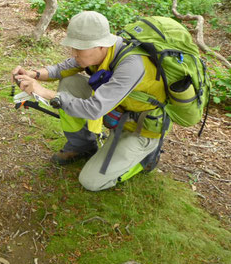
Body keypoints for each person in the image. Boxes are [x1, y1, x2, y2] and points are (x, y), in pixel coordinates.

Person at [12, 11, 166, 191]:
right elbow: (62, 69)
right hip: (117, 112)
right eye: (73, 47)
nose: (74, 53)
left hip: (139, 129)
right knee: (70, 83)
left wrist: (43, 92)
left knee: (91, 181)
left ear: (101, 45)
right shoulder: (100, 53)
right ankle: (82, 145)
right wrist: (33, 74)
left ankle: (146, 159)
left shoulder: (132, 65)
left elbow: (94, 109)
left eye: (79, 48)